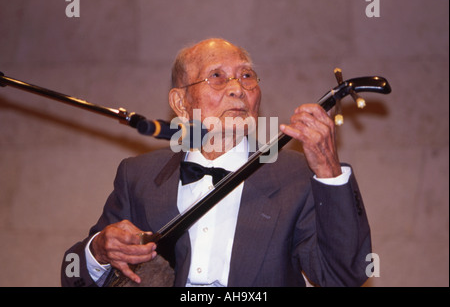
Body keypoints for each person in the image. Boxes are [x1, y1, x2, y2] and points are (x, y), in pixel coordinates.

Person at [61, 38, 371, 287]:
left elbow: (343, 277)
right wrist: (99, 250)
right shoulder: (137, 175)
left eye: (246, 76)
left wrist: (330, 173)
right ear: (181, 103)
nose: (238, 88)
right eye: (217, 77)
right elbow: (74, 275)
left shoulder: (295, 176)